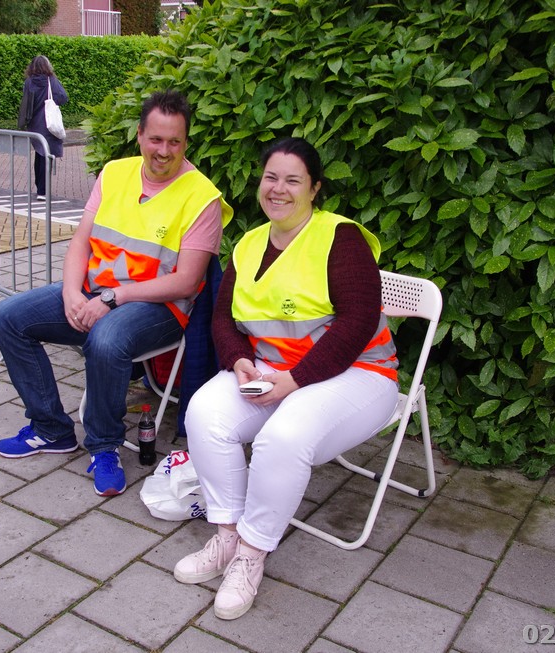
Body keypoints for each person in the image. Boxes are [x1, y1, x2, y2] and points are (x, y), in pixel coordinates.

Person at [173, 137, 400, 620]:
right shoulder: (250, 243)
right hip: (275, 372)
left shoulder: (341, 238)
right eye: (271, 177)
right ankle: (227, 536)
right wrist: (238, 359)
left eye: (293, 180)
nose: (278, 189)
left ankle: (251, 554)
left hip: (361, 375)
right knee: (204, 413)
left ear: (314, 189)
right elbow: (223, 319)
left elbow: (359, 322)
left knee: (283, 437)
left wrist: (294, 380)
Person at [0, 89, 233, 496]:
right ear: (139, 135)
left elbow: (187, 282)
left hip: (160, 307)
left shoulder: (202, 197)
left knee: (106, 340)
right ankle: (51, 429)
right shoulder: (115, 173)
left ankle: (103, 446)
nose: (164, 151)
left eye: (174, 142)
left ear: (186, 142)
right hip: (94, 290)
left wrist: (111, 298)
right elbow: (81, 242)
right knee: (7, 318)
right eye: (156, 139)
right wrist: (72, 293)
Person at [18, 55, 68, 200]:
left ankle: (39, 187)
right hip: (48, 123)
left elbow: (26, 102)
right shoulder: (51, 80)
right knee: (46, 154)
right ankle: (42, 190)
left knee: (39, 153)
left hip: (34, 123)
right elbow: (63, 97)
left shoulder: (29, 82)